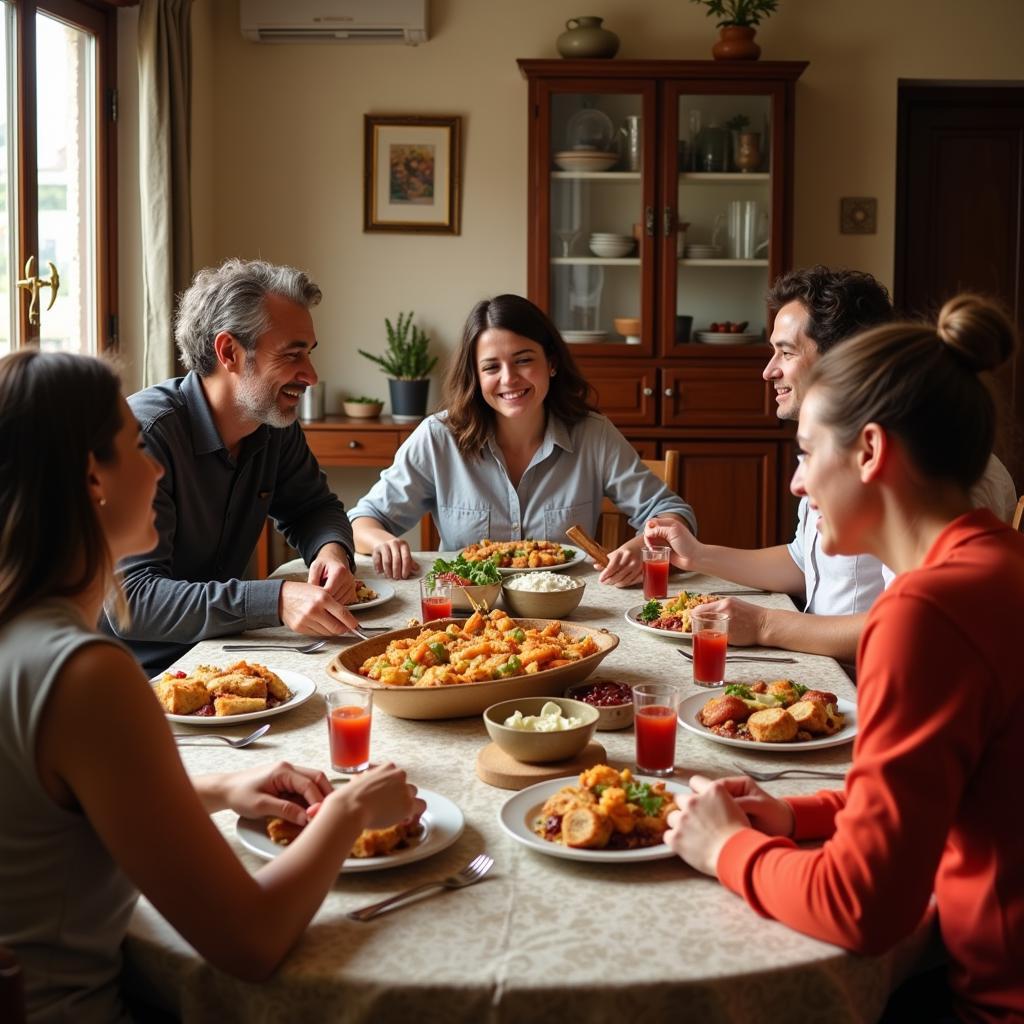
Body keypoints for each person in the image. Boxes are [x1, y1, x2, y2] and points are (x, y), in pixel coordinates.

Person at [0, 350, 422, 1023]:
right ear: (91, 479)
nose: (159, 466)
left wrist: (219, 788)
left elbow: (51, 807)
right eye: (136, 447)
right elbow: (249, 941)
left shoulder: (20, 635)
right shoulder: (87, 674)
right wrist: (349, 812)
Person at [664, 294, 1024, 1023]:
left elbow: (862, 909)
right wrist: (793, 817)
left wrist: (725, 849)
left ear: (869, 451)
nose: (797, 482)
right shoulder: (1000, 561)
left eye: (804, 453)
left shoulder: (922, 617)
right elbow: (933, 794)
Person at [644, 266, 1016, 662]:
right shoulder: (838, 457)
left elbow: (907, 624)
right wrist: (698, 555)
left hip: (855, 673)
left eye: (786, 352)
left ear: (841, 359)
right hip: (828, 664)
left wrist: (765, 624)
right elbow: (803, 562)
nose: (768, 370)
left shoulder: (929, 476)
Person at [104, 258, 361, 675]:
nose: (311, 375)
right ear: (229, 352)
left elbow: (313, 508)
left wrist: (332, 551)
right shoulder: (146, 434)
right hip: (134, 679)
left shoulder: (272, 422)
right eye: (292, 354)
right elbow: (132, 599)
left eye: (309, 353)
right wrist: (276, 599)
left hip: (221, 657)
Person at [350, 293, 696, 586]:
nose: (509, 379)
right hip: (465, 613)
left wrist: (637, 550)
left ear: (552, 363)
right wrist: (384, 541)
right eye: (491, 368)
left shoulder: (594, 434)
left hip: (568, 617)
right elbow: (363, 520)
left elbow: (673, 515)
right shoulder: (438, 437)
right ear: (475, 376)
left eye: (523, 360)